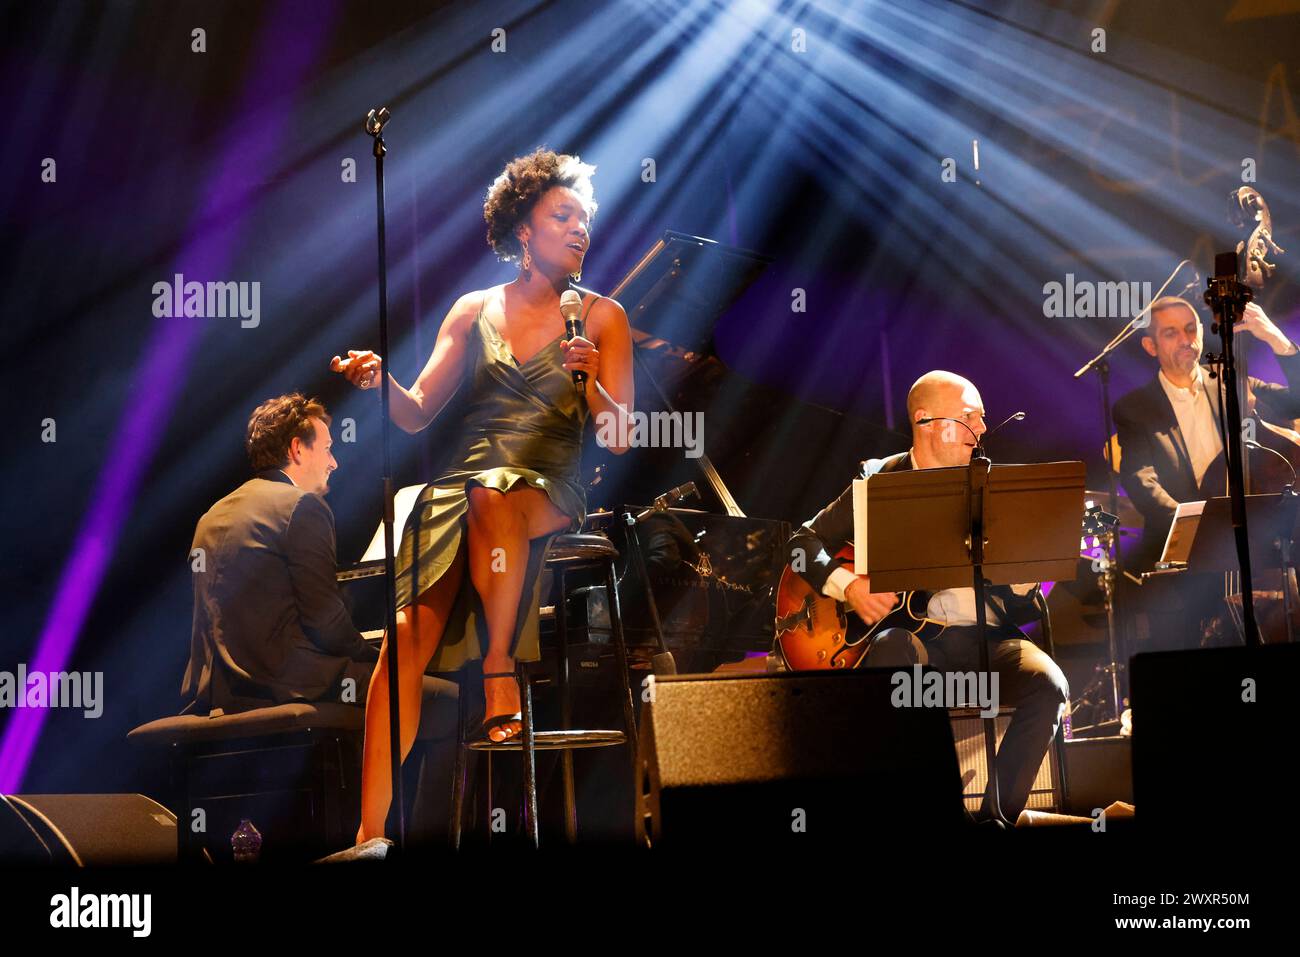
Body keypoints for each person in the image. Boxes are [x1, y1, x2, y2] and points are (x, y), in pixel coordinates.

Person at [332, 148, 634, 843]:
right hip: (464, 489)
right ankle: (367, 834)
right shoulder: (472, 310)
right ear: (523, 228)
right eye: (564, 215)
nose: (580, 229)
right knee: (402, 641)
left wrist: (595, 383)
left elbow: (620, 437)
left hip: (549, 484)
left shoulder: (604, 316)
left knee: (495, 495)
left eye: (585, 219)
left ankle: (499, 663)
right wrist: (382, 383)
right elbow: (415, 413)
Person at [784, 371, 1068, 823]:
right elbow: (800, 547)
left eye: (982, 419)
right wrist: (850, 587)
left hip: (986, 644)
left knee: (1050, 684)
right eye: (969, 419)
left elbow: (1019, 606)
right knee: (894, 652)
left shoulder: (993, 489)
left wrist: (1022, 580)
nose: (981, 431)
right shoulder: (878, 478)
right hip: (915, 645)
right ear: (926, 421)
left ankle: (996, 817)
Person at [181, 394, 459, 842]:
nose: (334, 463)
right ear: (297, 449)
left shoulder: (212, 515)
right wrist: (377, 654)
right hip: (290, 680)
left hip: (224, 688)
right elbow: (326, 622)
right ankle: (406, 838)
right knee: (450, 702)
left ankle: (373, 824)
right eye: (327, 448)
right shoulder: (301, 508)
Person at [1114, 296, 1300, 571]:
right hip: (1187, 558)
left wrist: (1276, 339)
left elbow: (1296, 402)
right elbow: (1141, 481)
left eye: (1191, 328)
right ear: (1150, 346)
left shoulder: (1235, 382)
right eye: (1171, 333)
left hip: (1252, 548)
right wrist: (1196, 526)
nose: (1185, 338)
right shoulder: (1134, 408)